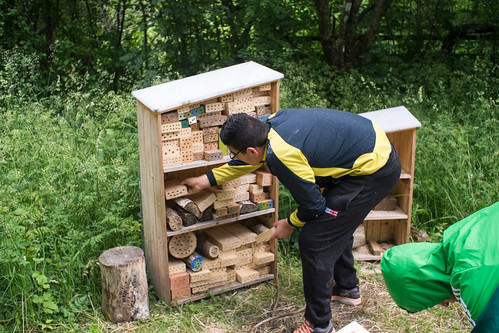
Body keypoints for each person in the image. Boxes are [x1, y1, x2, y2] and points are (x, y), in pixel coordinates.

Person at [181, 109, 401, 333]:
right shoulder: (268, 124)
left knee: (316, 240)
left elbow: (313, 206)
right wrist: (206, 180)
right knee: (332, 225)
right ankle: (346, 288)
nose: (233, 157)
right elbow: (251, 160)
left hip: (375, 170)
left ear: (250, 149)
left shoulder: (282, 155)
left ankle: (319, 325)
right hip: (366, 150)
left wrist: (290, 223)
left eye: (233, 154)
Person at [381, 202, 499, 333]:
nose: (444, 305)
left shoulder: (472, 286)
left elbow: (491, 326)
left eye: (432, 301)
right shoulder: (461, 232)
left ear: (428, 291)